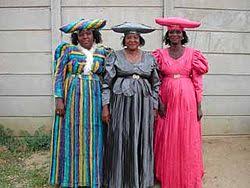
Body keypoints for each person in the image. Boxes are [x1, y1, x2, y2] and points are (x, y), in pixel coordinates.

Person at [49, 18, 111, 187]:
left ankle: (92, 177)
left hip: (94, 99)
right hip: (72, 100)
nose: (85, 37)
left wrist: (106, 105)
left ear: (94, 35)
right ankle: (70, 177)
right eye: (81, 34)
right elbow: (59, 75)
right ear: (77, 37)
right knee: (71, 135)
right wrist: (59, 99)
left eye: (88, 33)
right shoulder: (68, 51)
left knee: (94, 136)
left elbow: (107, 79)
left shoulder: (103, 53)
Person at [152, 17, 209, 188]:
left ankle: (188, 173)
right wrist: (158, 101)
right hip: (167, 98)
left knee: (186, 135)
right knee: (166, 134)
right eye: (171, 32)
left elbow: (197, 81)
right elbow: (156, 79)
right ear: (167, 36)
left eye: (178, 32)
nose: (175, 34)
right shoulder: (159, 54)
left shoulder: (193, 54)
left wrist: (198, 104)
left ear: (183, 35)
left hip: (187, 99)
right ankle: (166, 172)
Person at [102, 22, 160, 188]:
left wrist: (154, 105)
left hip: (144, 104)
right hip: (121, 103)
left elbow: (156, 83)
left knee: (141, 136)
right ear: (124, 40)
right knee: (120, 135)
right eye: (129, 37)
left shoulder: (149, 57)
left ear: (140, 40)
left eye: (135, 37)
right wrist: (105, 106)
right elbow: (106, 83)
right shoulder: (115, 56)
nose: (132, 40)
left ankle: (141, 179)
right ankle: (119, 179)